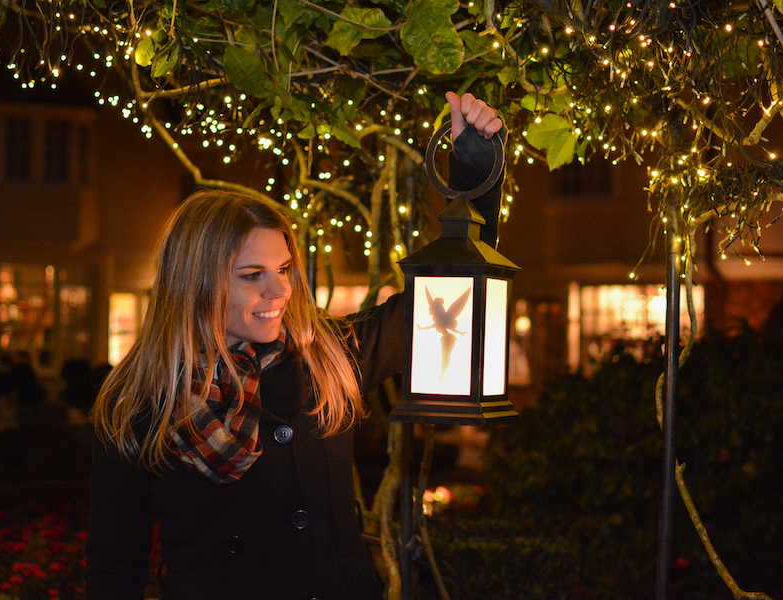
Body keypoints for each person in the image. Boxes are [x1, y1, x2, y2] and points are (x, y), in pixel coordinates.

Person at [85, 92, 504, 600]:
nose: (279, 291)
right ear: (195, 282)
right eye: (251, 275)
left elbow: (450, 295)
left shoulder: (326, 355)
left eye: (284, 270)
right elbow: (116, 567)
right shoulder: (138, 403)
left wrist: (475, 181)